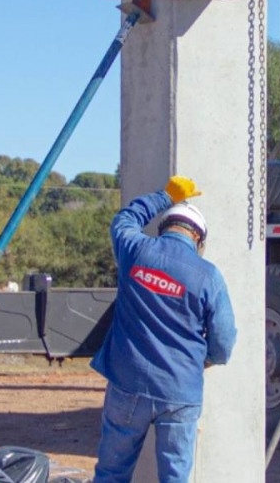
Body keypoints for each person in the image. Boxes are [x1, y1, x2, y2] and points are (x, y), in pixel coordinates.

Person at [91, 176, 237, 483]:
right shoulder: (208, 275)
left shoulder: (135, 250)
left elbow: (125, 219)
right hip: (180, 391)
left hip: (127, 383)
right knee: (175, 478)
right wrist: (202, 362)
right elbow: (223, 341)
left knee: (111, 474)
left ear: (163, 227)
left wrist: (165, 196)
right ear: (199, 240)